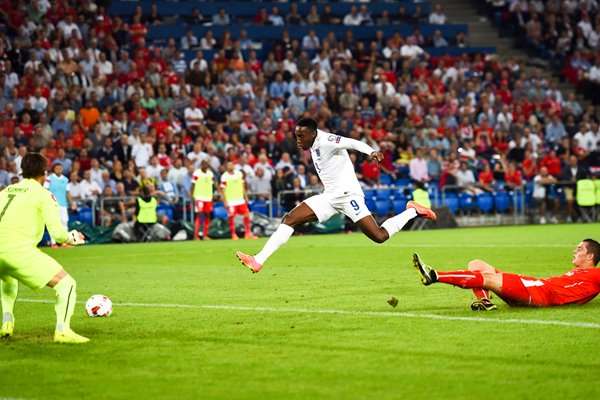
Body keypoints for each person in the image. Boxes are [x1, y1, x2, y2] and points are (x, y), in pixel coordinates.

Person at [237, 118, 436, 273]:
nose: (298, 140)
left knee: (379, 236)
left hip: (349, 196)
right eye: (296, 136)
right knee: (290, 218)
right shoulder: (311, 144)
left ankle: (412, 211)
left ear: (313, 133)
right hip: (330, 196)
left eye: (302, 136)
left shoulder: (327, 140)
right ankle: (258, 260)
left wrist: (371, 152)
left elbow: (353, 143)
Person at [0, 153, 88, 343]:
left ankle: (7, 321)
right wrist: (72, 237)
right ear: (44, 173)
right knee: (67, 284)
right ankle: (62, 330)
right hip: (18, 251)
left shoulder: (6, 191)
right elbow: (57, 234)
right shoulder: (44, 194)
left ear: (23, 171)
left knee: (7, 278)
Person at [412, 238, 600, 311]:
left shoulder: (595, 274)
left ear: (590, 255)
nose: (574, 251)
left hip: (542, 292)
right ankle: (485, 302)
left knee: (488, 278)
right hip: (537, 287)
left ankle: (434, 275)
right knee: (476, 264)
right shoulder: (580, 273)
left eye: (579, 249)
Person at [220, 161, 258, 241]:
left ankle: (247, 233)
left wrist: (246, 197)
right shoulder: (224, 176)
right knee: (231, 217)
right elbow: (222, 190)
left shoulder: (239, 174)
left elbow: (242, 186)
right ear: (226, 167)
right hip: (230, 201)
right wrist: (225, 201)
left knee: (246, 214)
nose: (231, 166)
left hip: (240, 199)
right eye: (229, 165)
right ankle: (233, 234)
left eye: (232, 164)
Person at [44, 163, 73, 247]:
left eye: (60, 168)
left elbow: (67, 193)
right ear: (54, 169)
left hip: (63, 204)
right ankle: (53, 243)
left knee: (64, 223)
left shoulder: (66, 179)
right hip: (52, 204)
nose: (59, 170)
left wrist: (71, 203)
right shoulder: (49, 179)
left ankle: (64, 242)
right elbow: (45, 191)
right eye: (57, 168)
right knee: (53, 223)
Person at [191, 160, 216, 241]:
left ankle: (205, 235)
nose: (204, 165)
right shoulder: (196, 173)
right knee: (199, 214)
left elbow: (211, 185)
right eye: (203, 164)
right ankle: (196, 236)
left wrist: (212, 196)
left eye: (206, 164)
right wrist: (192, 196)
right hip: (199, 197)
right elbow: (193, 185)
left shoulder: (210, 173)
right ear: (201, 165)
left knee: (207, 215)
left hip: (208, 197)